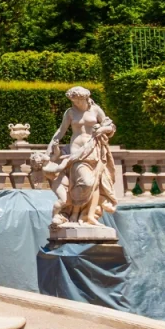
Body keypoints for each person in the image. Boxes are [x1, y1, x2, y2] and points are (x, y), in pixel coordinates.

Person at [45, 86, 118, 226]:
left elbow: (110, 126)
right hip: (77, 151)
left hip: (94, 150)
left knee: (95, 183)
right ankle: (74, 212)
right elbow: (61, 131)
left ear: (85, 98)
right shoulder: (70, 112)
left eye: (78, 100)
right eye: (73, 101)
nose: (76, 103)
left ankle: (88, 216)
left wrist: (102, 129)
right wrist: (51, 147)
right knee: (83, 182)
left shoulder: (96, 110)